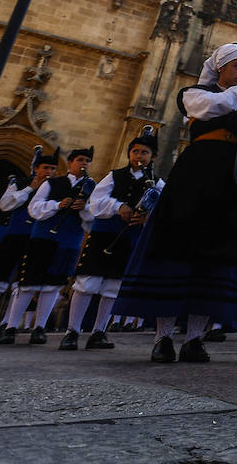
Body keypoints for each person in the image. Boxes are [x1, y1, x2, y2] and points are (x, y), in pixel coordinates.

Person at [115, 43, 237, 364]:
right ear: (221, 69)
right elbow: (208, 107)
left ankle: (195, 339)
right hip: (194, 178)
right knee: (177, 252)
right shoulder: (194, 93)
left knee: (216, 256)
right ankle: (163, 338)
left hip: (232, 183)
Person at [60, 128, 162, 351]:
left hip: (130, 239)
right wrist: (119, 207)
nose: (138, 156)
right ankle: (72, 331)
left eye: (144, 152)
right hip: (103, 235)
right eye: (135, 151)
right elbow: (97, 202)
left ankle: (99, 331)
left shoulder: (158, 183)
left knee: (113, 286)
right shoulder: (114, 176)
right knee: (88, 283)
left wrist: (146, 216)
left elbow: (162, 210)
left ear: (153, 156)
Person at [0, 146, 95, 345]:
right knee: (28, 283)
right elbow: (34, 209)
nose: (83, 164)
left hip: (69, 241)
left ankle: (40, 327)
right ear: (70, 163)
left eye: (87, 161)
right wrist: (58, 205)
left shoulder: (91, 187)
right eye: (80, 160)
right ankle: (11, 326)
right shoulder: (52, 183)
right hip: (43, 238)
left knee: (53, 286)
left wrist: (84, 209)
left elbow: (93, 219)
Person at [0, 151, 58, 338]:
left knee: (23, 283)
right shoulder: (20, 183)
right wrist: (30, 189)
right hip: (15, 236)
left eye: (53, 168)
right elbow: (6, 205)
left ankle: (7, 322)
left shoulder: (56, 187)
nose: (49, 172)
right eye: (46, 168)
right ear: (35, 168)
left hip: (38, 239)